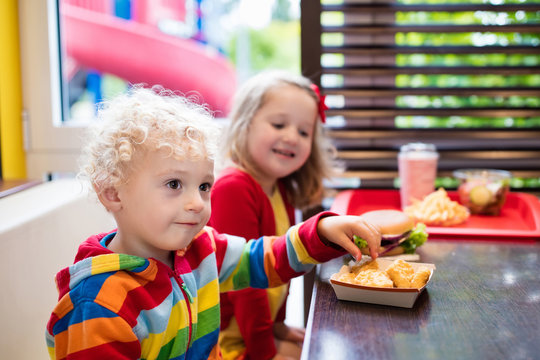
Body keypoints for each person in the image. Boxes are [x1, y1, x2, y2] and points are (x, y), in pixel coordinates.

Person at [44, 86, 381, 360]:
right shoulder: (97, 306)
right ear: (113, 193)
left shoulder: (200, 248)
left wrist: (320, 232)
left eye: (204, 186)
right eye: (174, 184)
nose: (196, 203)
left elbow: (260, 259)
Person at [208, 70, 339, 360]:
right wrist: (263, 351)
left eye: (304, 131)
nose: (292, 137)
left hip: (253, 332)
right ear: (245, 125)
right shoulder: (233, 188)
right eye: (279, 124)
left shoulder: (280, 188)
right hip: (223, 342)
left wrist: (276, 326)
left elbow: (280, 267)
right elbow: (246, 283)